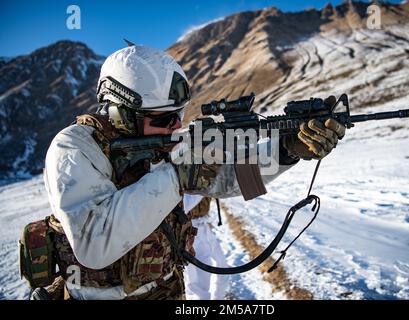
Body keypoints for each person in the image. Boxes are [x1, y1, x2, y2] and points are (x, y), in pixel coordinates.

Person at [43, 44, 346, 300]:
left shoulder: (159, 144)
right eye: (164, 118)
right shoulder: (75, 148)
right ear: (121, 113)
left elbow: (229, 181)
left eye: (180, 115)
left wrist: (286, 150)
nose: (176, 126)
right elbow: (94, 244)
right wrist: (176, 176)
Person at [183, 195, 229, 300]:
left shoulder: (206, 181)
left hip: (204, 227)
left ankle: (218, 298)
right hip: (190, 229)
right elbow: (185, 204)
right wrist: (203, 189)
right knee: (201, 279)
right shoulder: (184, 182)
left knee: (223, 268)